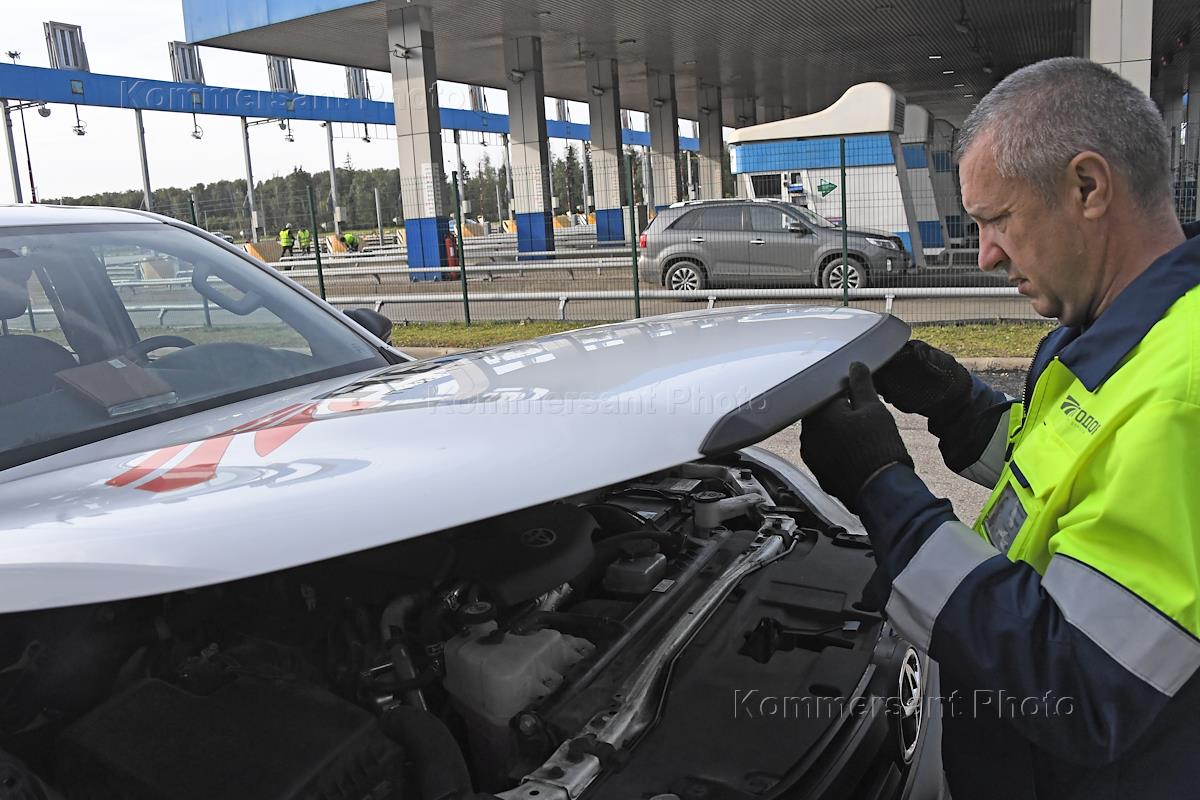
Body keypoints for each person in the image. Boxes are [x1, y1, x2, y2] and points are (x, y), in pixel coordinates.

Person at [800, 58, 1200, 799]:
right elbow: (1067, 479)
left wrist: (884, 490)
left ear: (1088, 187)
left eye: (997, 221)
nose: (986, 256)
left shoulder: (1185, 396)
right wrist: (956, 404)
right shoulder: (1115, 330)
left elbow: (1080, 681)